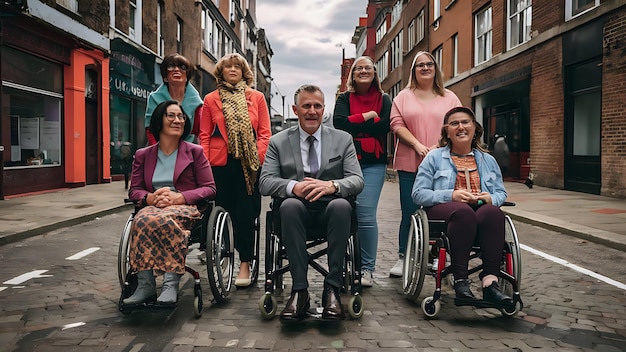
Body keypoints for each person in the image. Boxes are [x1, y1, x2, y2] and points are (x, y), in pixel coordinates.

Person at [259, 84, 364, 323]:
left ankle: (332, 290)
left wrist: (333, 186)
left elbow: (357, 180)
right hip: (296, 210)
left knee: (342, 206)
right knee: (288, 206)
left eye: (317, 106)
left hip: (331, 208)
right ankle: (300, 291)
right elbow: (265, 183)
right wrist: (292, 187)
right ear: (296, 110)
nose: (312, 111)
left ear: (324, 109)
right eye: (306, 106)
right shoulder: (278, 142)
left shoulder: (343, 139)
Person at [412, 106, 513, 306]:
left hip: (480, 210)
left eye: (465, 122)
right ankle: (461, 281)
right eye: (454, 123)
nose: (461, 127)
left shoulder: (488, 160)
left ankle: (490, 283)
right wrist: (451, 195)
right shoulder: (434, 158)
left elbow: (501, 192)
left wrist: (491, 198)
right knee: (463, 212)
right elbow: (418, 194)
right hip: (446, 212)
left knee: (493, 213)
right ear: (446, 131)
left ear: (475, 128)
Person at [124, 100, 217, 306]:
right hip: (153, 205)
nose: (177, 120)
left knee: (165, 219)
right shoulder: (143, 155)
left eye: (181, 116)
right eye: (171, 116)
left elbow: (209, 188)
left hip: (185, 207)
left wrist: (179, 197)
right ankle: (145, 285)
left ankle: (170, 284)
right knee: (142, 220)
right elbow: (135, 190)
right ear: (159, 121)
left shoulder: (195, 152)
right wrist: (150, 198)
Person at [199, 53, 271, 287]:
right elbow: (204, 135)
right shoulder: (210, 99)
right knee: (221, 211)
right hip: (220, 164)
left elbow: (264, 134)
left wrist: (256, 159)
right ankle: (222, 252)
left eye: (237, 66)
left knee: (246, 214)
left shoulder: (256, 97)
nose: (232, 69)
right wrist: (205, 165)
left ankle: (244, 264)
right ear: (220, 71)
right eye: (228, 66)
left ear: (244, 72)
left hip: (248, 166)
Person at [389, 51, 462, 277]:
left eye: (429, 64)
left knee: (441, 211)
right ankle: (404, 257)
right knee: (409, 211)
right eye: (420, 65)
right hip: (410, 161)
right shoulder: (403, 96)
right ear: (414, 70)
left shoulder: (450, 97)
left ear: (435, 68)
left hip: (444, 163)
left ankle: (436, 256)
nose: (425, 68)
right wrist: (418, 145)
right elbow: (396, 124)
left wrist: (438, 148)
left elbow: (459, 125)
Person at [333, 56, 391, 287]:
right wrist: (368, 117)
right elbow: (340, 124)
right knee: (344, 212)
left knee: (366, 215)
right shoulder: (344, 98)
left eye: (368, 67)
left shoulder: (384, 98)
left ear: (375, 73)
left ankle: (367, 268)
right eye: (359, 68)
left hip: (374, 163)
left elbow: (385, 125)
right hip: (346, 162)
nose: (364, 71)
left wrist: (355, 124)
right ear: (352, 74)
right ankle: (344, 262)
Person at [145, 53, 203, 145]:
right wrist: (158, 153)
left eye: (182, 67)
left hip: (189, 151)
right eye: (171, 66)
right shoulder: (154, 98)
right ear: (165, 77)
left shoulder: (196, 103)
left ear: (187, 77)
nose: (176, 70)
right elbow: (150, 130)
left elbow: (199, 132)